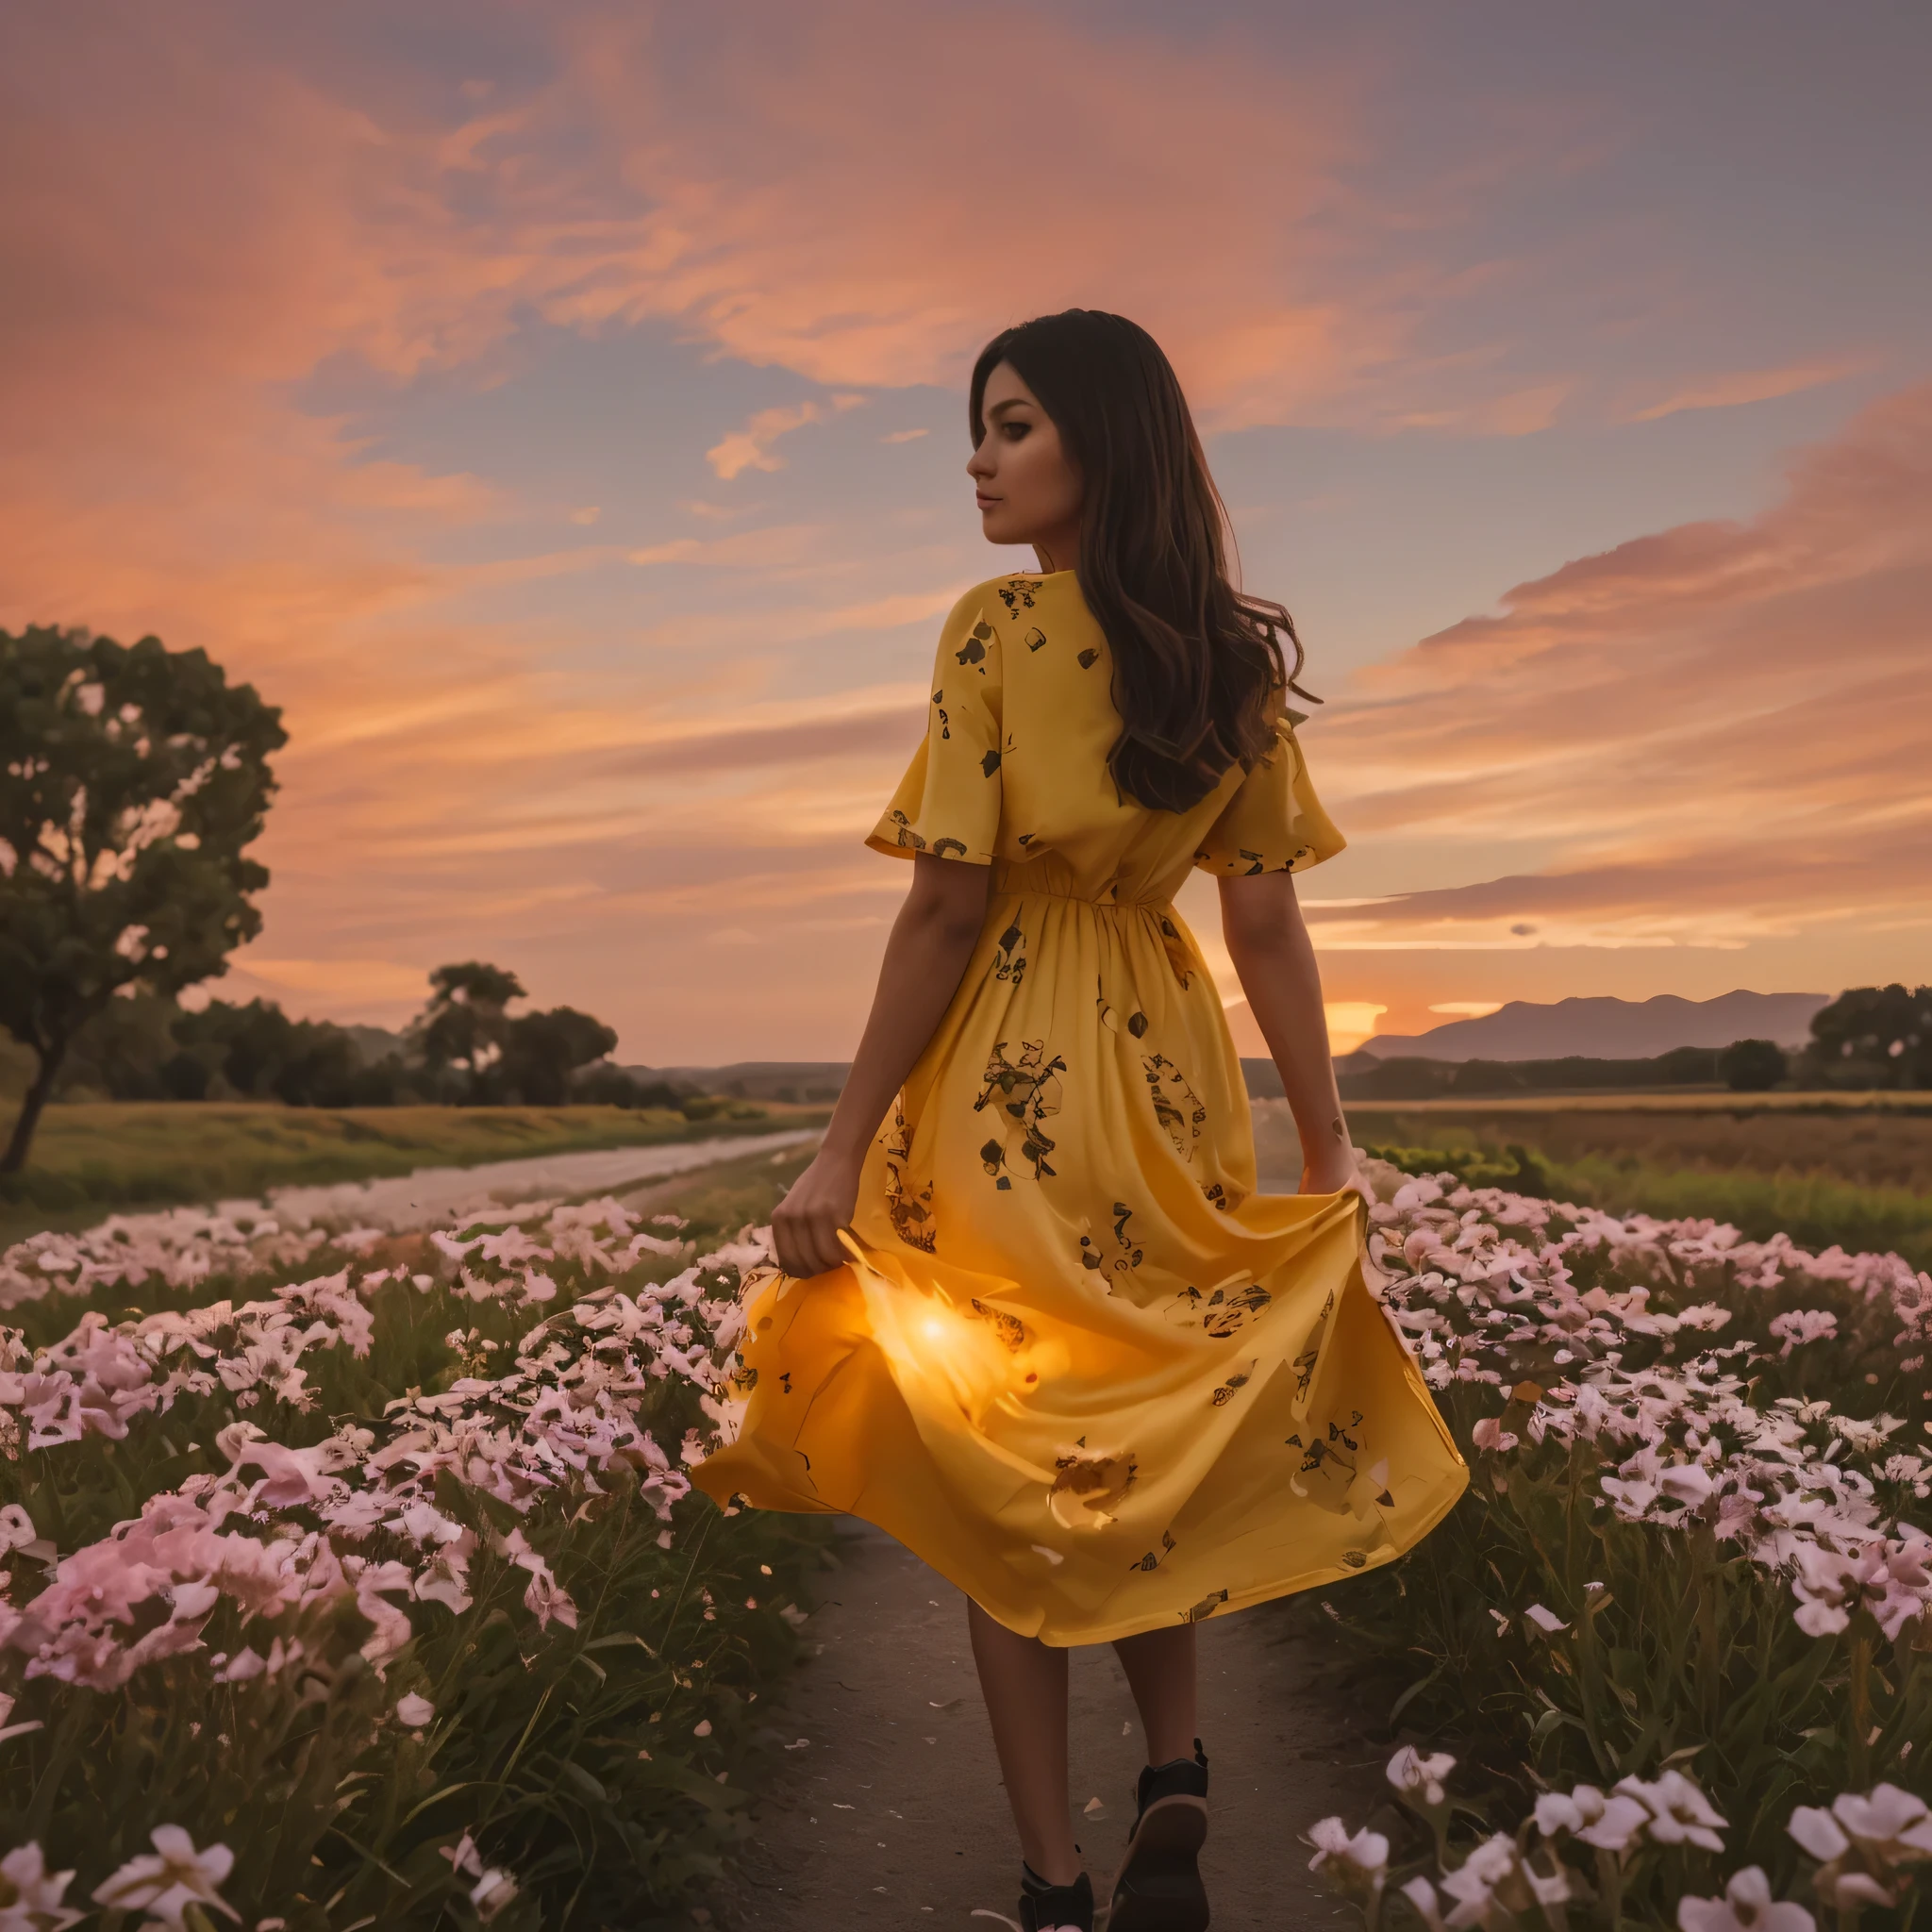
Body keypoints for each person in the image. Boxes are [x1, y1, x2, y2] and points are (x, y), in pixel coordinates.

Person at [692, 308, 1466, 1932]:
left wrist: (841, 1141)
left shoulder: (994, 632)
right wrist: (1325, 1144)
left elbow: (942, 914)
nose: (979, 460)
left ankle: (1052, 1886)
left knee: (1007, 1486)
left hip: (1006, 1084)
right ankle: (1175, 1765)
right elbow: (1266, 931)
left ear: (1100, 440)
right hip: (1170, 1075)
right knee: (1144, 1445)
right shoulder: (1232, 658)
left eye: (1014, 424)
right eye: (978, 429)